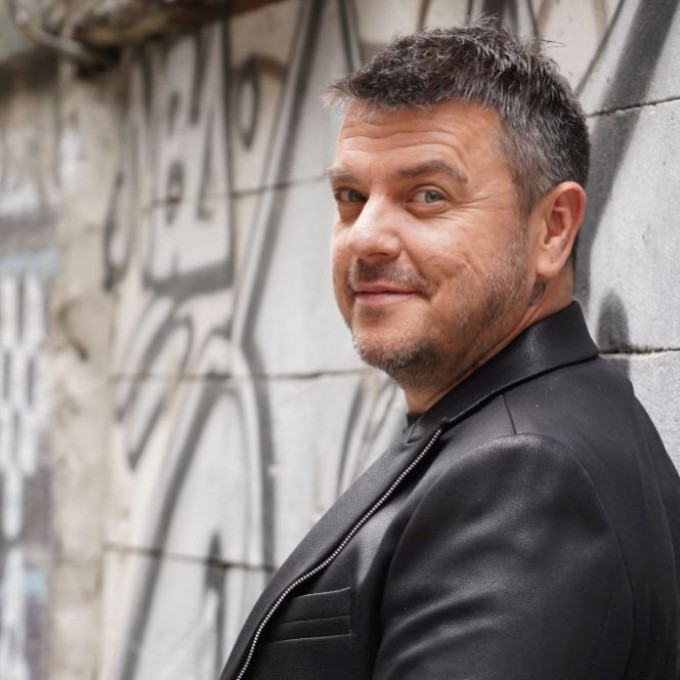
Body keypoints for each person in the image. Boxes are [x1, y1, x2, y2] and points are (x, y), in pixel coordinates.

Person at [219, 24, 680, 680]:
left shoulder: (525, 477)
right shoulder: (516, 428)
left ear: (552, 230)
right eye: (351, 198)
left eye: (428, 196)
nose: (365, 237)